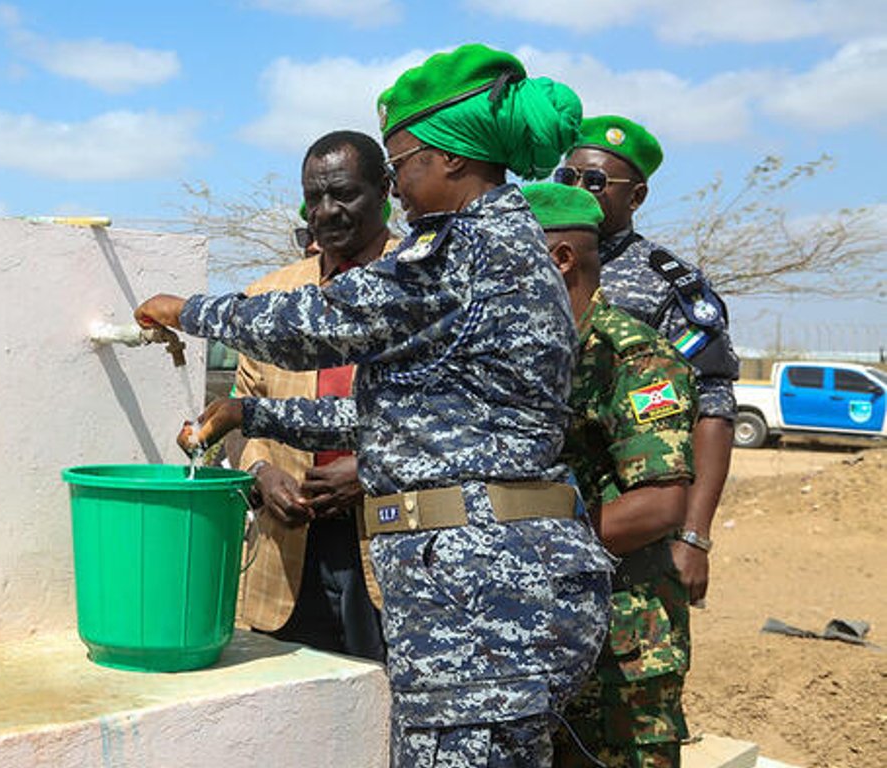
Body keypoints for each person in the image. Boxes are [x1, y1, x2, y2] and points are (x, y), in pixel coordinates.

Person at [139, 44, 612, 767]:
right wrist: (252, 416)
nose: (398, 187)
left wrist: (187, 310)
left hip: (478, 597)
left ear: (451, 158)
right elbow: (402, 422)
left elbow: (317, 326)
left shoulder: (463, 251)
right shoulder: (507, 245)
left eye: (402, 164)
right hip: (492, 586)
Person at [520, 184, 698, 767]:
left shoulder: (634, 358)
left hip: (624, 638)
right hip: (546, 626)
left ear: (559, 258)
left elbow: (659, 504)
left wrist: (533, 552)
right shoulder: (528, 355)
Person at [556, 117, 738, 609]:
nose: (578, 189)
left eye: (594, 181)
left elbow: (713, 409)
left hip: (631, 521)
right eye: (566, 177)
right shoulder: (536, 263)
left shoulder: (666, 284)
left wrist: (695, 535)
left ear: (635, 198)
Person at [229, 131, 393, 662]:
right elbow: (241, 412)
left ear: (385, 190)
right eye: (314, 198)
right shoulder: (269, 296)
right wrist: (259, 474)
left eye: (344, 194)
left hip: (389, 546)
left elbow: (460, 421)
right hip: (285, 550)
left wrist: (370, 473)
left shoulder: (423, 285)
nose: (327, 212)